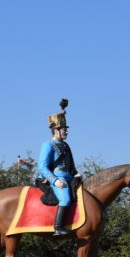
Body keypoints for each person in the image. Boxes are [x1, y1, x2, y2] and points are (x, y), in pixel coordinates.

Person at [38, 99, 81, 236]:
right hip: (58, 178)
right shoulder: (48, 145)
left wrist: (75, 173)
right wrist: (55, 180)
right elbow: (42, 167)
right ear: (55, 131)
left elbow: (71, 164)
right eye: (64, 130)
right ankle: (58, 227)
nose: (66, 132)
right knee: (65, 199)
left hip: (70, 177)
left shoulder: (66, 146)